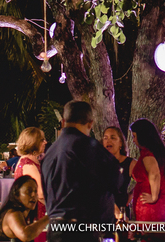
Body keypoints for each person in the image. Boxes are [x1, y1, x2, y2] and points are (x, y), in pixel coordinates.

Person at [41, 100, 119, 242]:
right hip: (80, 230)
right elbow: (112, 180)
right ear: (90, 123)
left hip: (55, 228)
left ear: (64, 121)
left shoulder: (50, 152)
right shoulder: (88, 146)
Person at [129, 118, 165, 235]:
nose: (133, 140)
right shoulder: (159, 154)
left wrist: (154, 196)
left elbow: (154, 173)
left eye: (134, 136)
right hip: (160, 204)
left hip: (150, 209)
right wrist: (162, 191)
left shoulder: (147, 154)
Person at [0, 175, 52, 241]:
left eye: (35, 191)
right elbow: (25, 235)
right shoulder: (13, 214)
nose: (34, 195)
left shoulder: (23, 214)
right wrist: (49, 216)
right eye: (29, 191)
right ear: (17, 195)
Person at [13, 128, 48, 242]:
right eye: (42, 140)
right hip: (36, 215)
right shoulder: (29, 165)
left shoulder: (29, 161)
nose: (45, 142)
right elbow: (40, 193)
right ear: (33, 143)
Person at [101, 126, 134, 223]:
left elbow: (145, 180)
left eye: (113, 138)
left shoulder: (129, 163)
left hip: (122, 210)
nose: (108, 141)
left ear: (120, 143)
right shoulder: (98, 162)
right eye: (105, 138)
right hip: (103, 211)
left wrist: (132, 194)